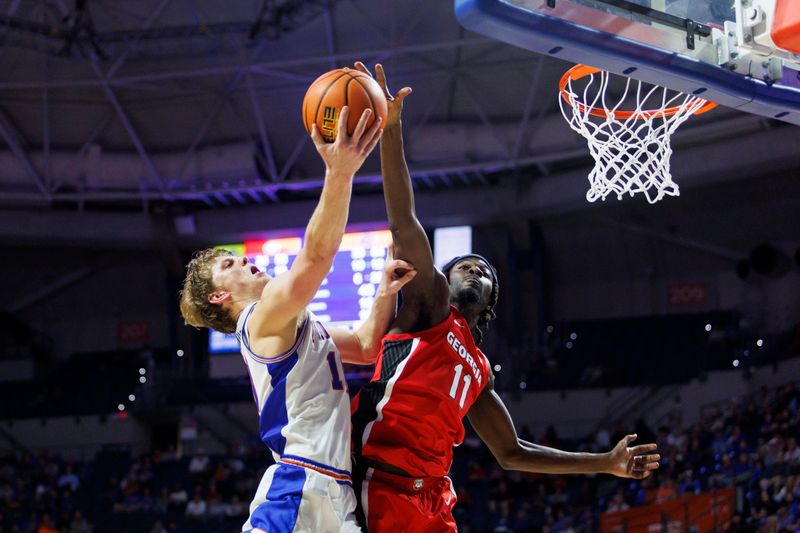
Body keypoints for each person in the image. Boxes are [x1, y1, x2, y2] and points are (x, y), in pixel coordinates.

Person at [350, 63, 662, 532]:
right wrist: (392, 132)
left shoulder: (477, 370)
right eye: (465, 266)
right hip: (382, 482)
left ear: (491, 300)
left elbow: (513, 452)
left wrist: (605, 462)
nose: (475, 270)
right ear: (444, 279)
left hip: (431, 496)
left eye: (485, 272)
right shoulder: (427, 305)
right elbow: (403, 222)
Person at [179, 108, 416, 533]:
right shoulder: (258, 319)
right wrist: (339, 173)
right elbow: (316, 257)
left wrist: (383, 292)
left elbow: (364, 346)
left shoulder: (293, 323)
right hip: (299, 486)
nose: (246, 260)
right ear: (220, 296)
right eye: (231, 264)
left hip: (336, 488)